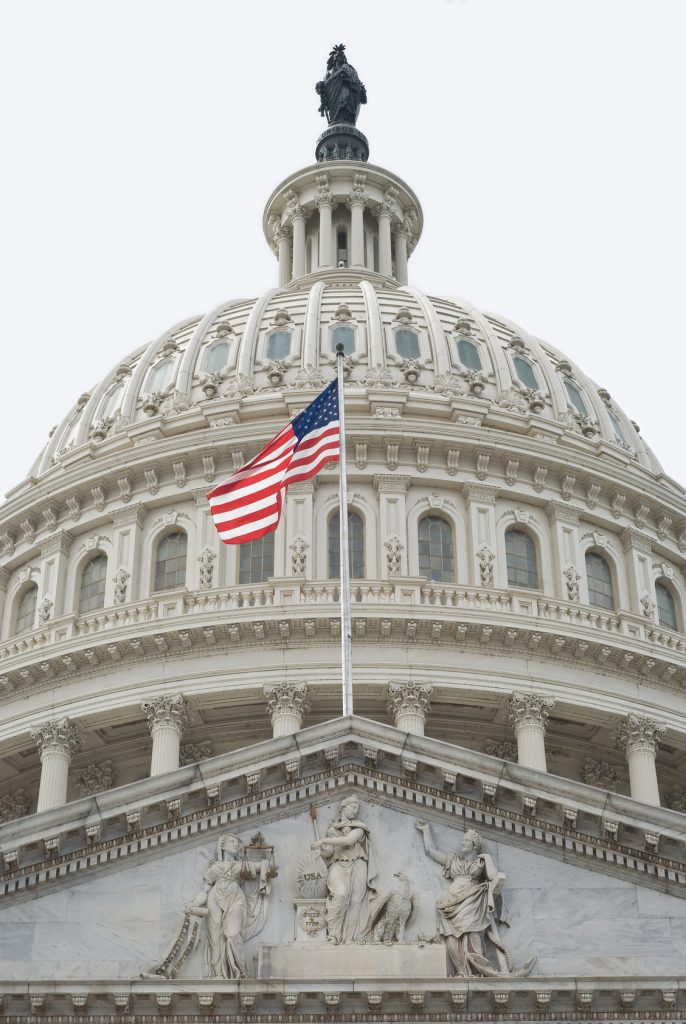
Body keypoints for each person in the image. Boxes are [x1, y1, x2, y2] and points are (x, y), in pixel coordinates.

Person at [415, 821, 510, 977]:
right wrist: (426, 830)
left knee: (472, 934)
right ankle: (460, 971)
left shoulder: (480, 861)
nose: (462, 842)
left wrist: (487, 858)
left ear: (475, 845)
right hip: (451, 903)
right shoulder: (453, 861)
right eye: (463, 840)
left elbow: (493, 877)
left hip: (472, 900)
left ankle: (476, 970)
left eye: (466, 840)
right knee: (451, 937)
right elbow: (430, 851)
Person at [187, 833, 271, 979]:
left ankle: (240, 971)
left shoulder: (241, 865)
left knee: (232, 934)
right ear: (223, 846)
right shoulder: (214, 869)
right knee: (216, 938)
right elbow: (205, 891)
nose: (236, 845)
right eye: (232, 842)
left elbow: (266, 866)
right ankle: (218, 974)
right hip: (215, 899)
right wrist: (194, 904)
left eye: (237, 843)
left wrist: (266, 851)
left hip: (235, 899)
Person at [311, 795, 377, 943]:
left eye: (357, 808)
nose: (355, 811)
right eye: (353, 807)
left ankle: (349, 939)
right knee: (340, 894)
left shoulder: (359, 827)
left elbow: (348, 841)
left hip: (358, 864)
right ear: (343, 808)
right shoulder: (332, 829)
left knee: (355, 901)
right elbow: (330, 852)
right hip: (338, 864)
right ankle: (334, 935)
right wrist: (320, 851)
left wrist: (323, 840)